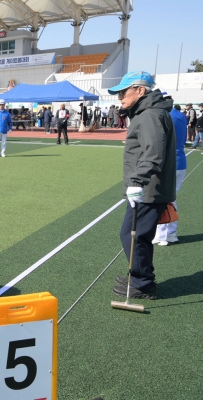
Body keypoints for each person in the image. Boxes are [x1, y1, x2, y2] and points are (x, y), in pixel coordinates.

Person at [108, 71, 176, 300]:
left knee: (132, 235)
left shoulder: (149, 115)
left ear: (140, 90)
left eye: (123, 92)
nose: (119, 97)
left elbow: (153, 153)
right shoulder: (148, 113)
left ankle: (142, 284)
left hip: (147, 188)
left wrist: (137, 180)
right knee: (137, 236)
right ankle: (138, 276)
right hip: (147, 187)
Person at [153, 98, 187, 246]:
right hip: (178, 161)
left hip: (170, 163)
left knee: (165, 198)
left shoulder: (167, 116)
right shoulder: (178, 115)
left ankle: (166, 234)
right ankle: (167, 233)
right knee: (169, 197)